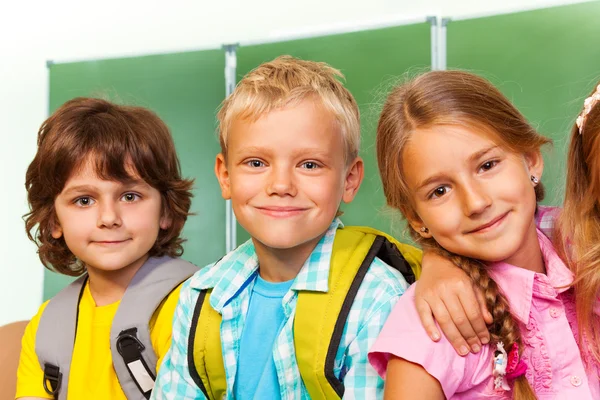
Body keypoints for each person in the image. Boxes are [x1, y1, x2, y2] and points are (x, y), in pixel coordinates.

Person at [152, 56, 422, 400]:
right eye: (256, 162)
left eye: (309, 164)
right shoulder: (201, 297)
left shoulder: (376, 298)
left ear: (349, 179)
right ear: (225, 176)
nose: (281, 184)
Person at [369, 70, 600, 398]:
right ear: (416, 217)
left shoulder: (582, 244)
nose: (476, 203)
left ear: (530, 160)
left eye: (488, 166)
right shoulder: (434, 322)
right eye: (440, 191)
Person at [16, 97, 197, 400]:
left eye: (129, 196)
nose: (109, 218)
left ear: (165, 210)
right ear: (54, 220)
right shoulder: (46, 326)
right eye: (84, 200)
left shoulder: (192, 307)